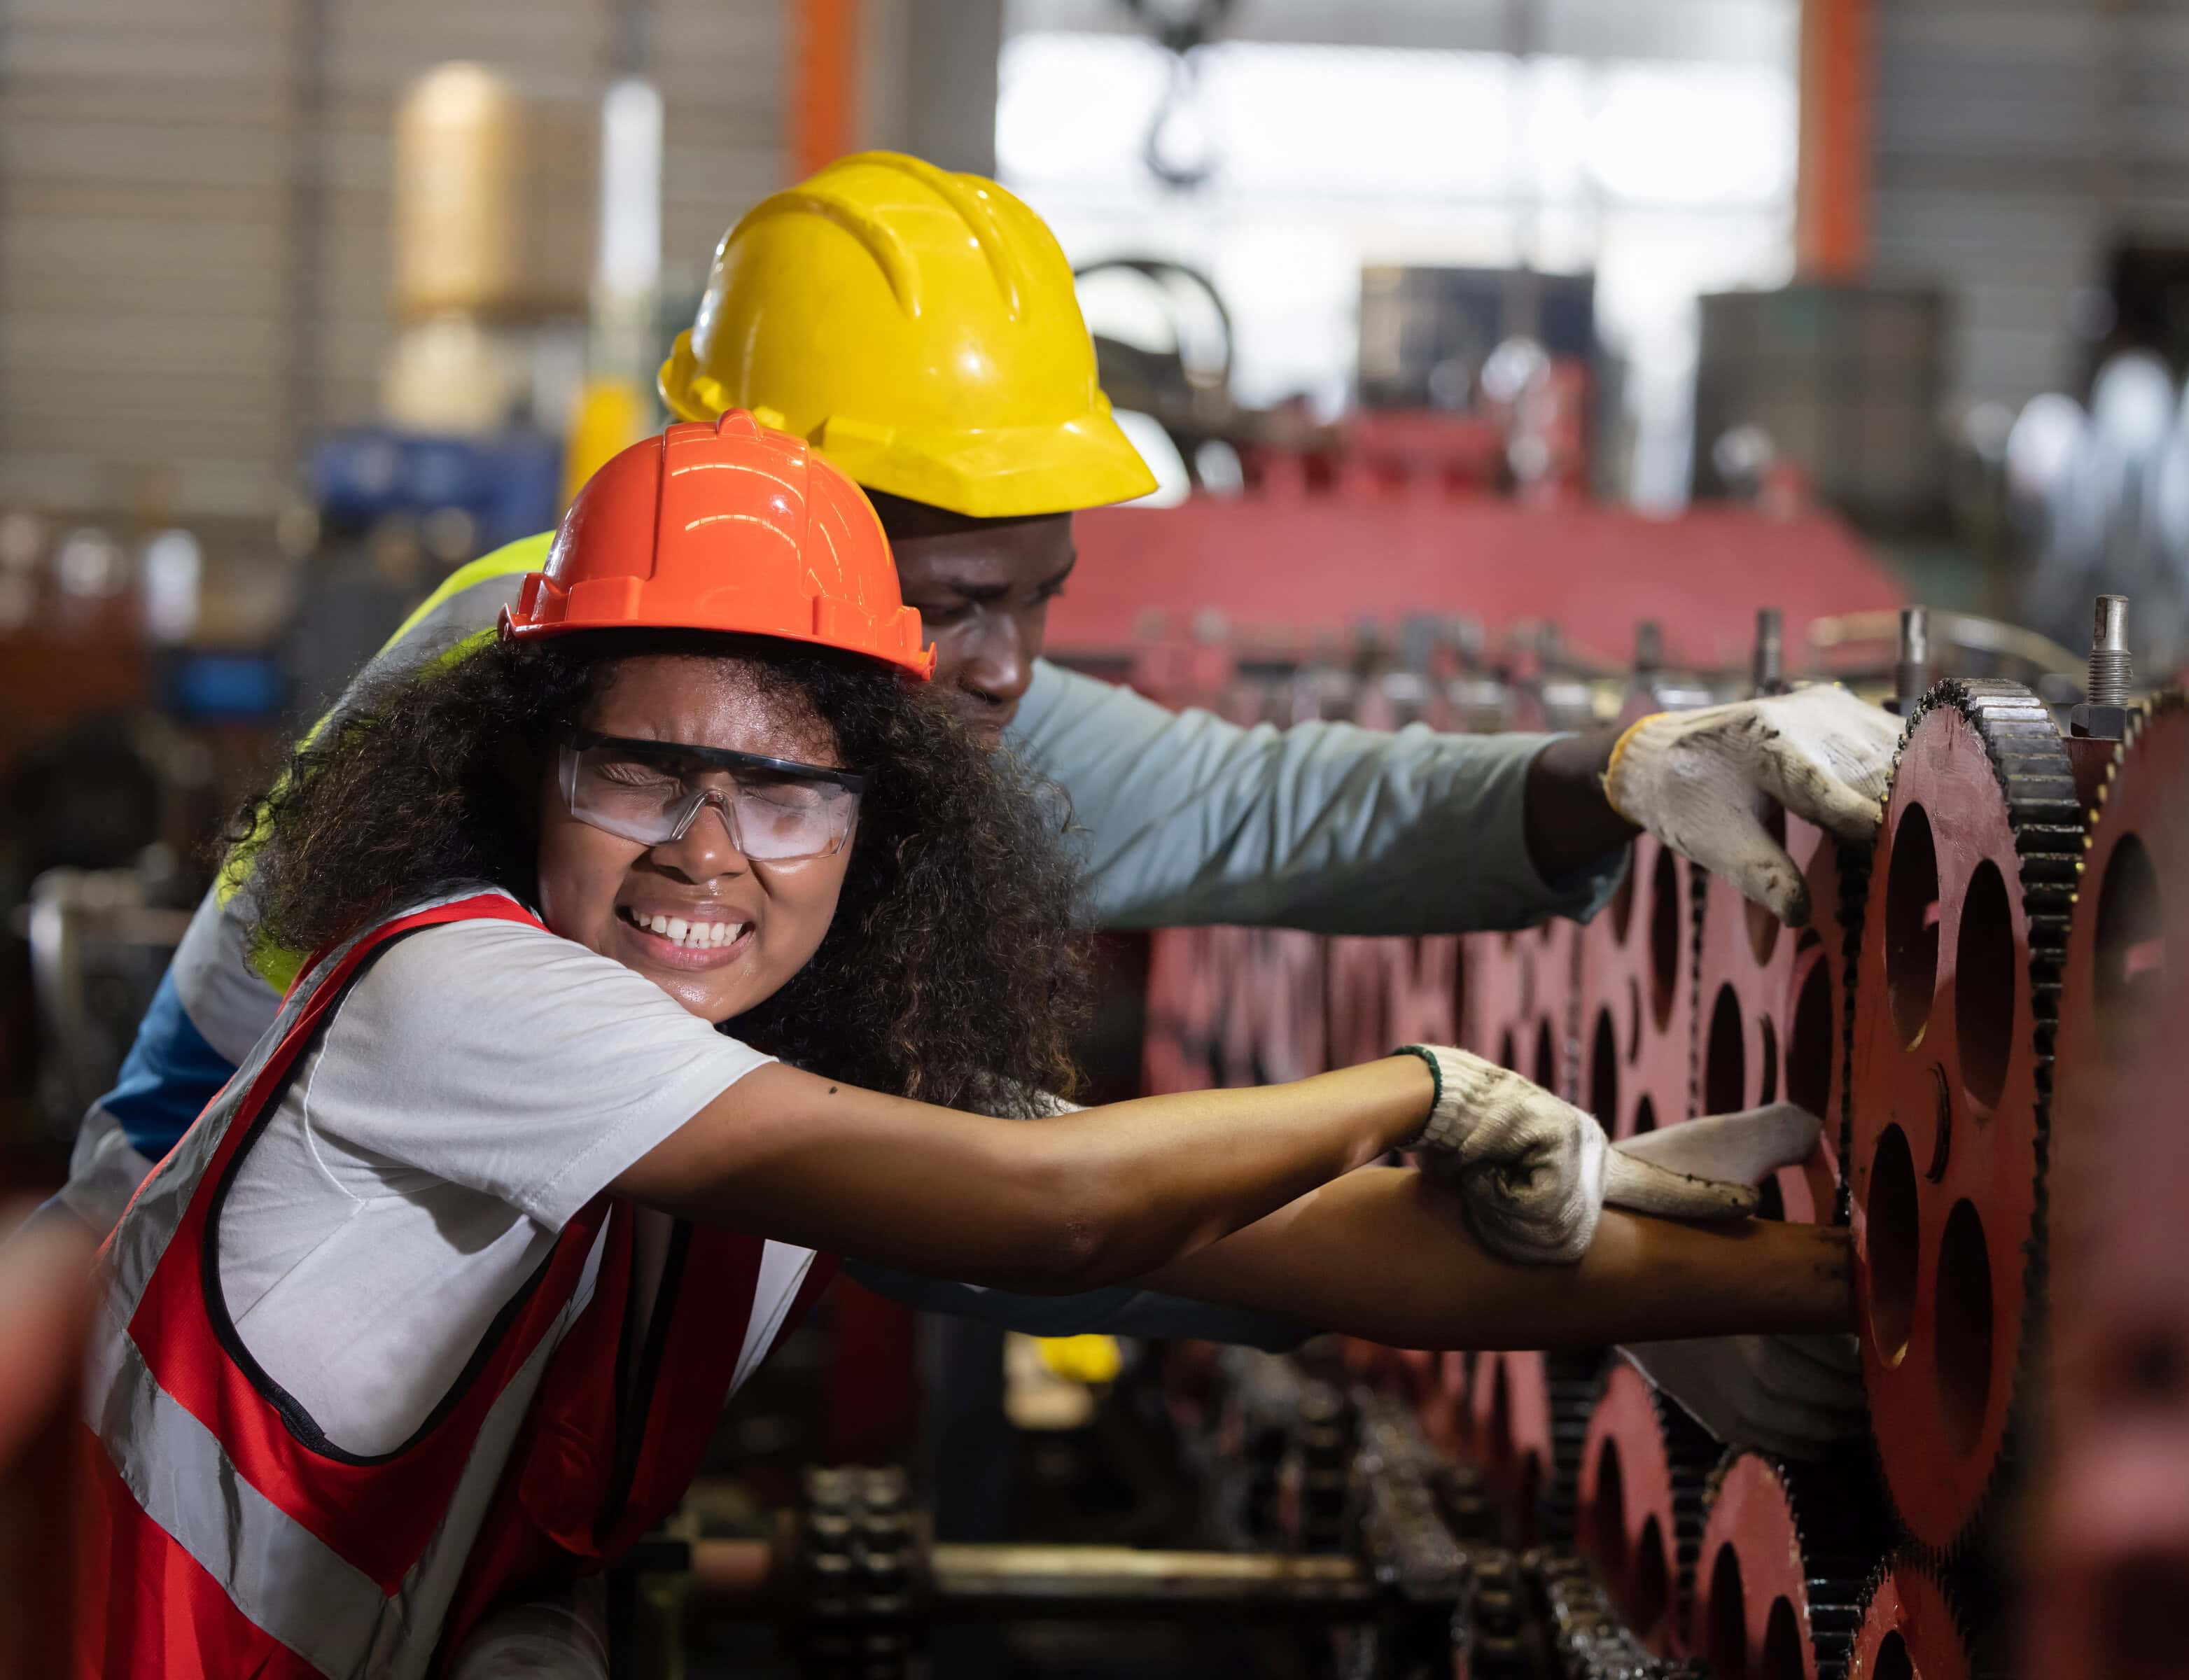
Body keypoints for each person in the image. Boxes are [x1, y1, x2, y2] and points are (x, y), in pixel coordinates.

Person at [62, 150, 1898, 1454]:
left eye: (1037, 596)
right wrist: (1460, 1132)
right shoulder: (571, 736)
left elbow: (1260, 813)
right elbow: (1036, 1212)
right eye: (946, 606)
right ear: (761, 527)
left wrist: (1628, 772)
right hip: (207, 1362)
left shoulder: (862, 718)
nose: (1007, 668)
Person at [78, 414, 1844, 1677]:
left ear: (881, 817)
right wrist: (1425, 1090)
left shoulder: (773, 1062)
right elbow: (1056, 1208)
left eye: (785, 789)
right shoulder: (457, 999)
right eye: (636, 772)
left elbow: (1259, 1239)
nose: (707, 851)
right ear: (517, 771)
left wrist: (1788, 1285)